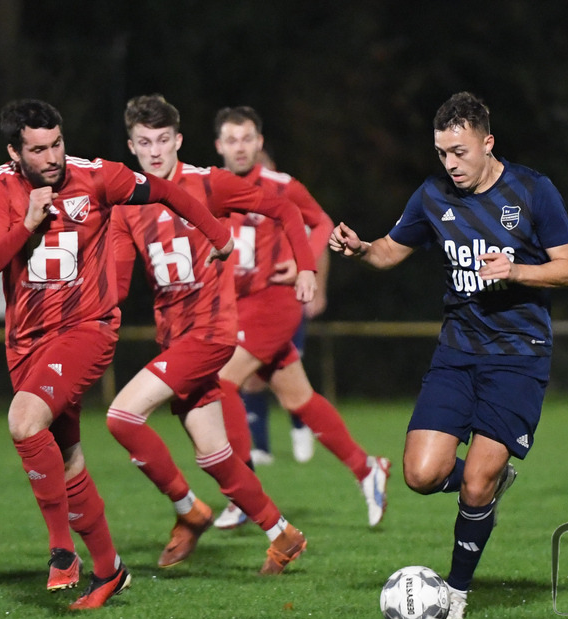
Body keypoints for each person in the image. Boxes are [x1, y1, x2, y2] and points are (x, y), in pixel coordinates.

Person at [0, 99, 231, 609]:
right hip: (27, 342)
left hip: (86, 329)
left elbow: (167, 190)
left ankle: (62, 551)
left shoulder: (97, 177)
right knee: (65, 457)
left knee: (23, 421)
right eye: (38, 150)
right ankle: (109, 571)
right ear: (15, 153)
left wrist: (217, 234)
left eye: (57, 144)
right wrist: (24, 226)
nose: (52, 157)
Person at [330, 92, 568, 619]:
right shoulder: (432, 196)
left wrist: (516, 270)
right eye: (442, 153)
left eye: (460, 152)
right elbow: (389, 251)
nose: (450, 163)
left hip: (518, 356)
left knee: (474, 483)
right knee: (421, 474)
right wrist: (361, 249)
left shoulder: (533, 191)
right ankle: (488, 482)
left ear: (487, 143)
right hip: (456, 352)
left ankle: (458, 591)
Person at [107, 94, 313, 573]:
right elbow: (116, 287)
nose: (155, 151)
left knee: (122, 417)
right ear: (131, 146)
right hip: (174, 339)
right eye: (144, 142)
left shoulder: (208, 183)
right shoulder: (125, 207)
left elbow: (285, 211)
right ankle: (283, 535)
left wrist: (305, 266)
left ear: (178, 140)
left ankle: (189, 511)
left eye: (163, 140)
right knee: (215, 456)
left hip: (211, 334)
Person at [213, 105, 390, 529]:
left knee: (220, 383)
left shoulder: (280, 185)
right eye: (231, 140)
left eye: (247, 138)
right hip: (241, 305)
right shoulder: (211, 185)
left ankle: (244, 494)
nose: (240, 147)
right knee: (298, 399)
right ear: (219, 145)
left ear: (259, 142)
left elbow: (322, 222)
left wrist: (302, 263)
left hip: (274, 303)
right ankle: (366, 468)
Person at [238, 149, 331, 466]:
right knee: (250, 376)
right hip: (249, 305)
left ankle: (300, 427)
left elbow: (319, 238)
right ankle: (260, 447)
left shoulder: (287, 204)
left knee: (289, 372)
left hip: (287, 301)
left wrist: (317, 287)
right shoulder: (236, 208)